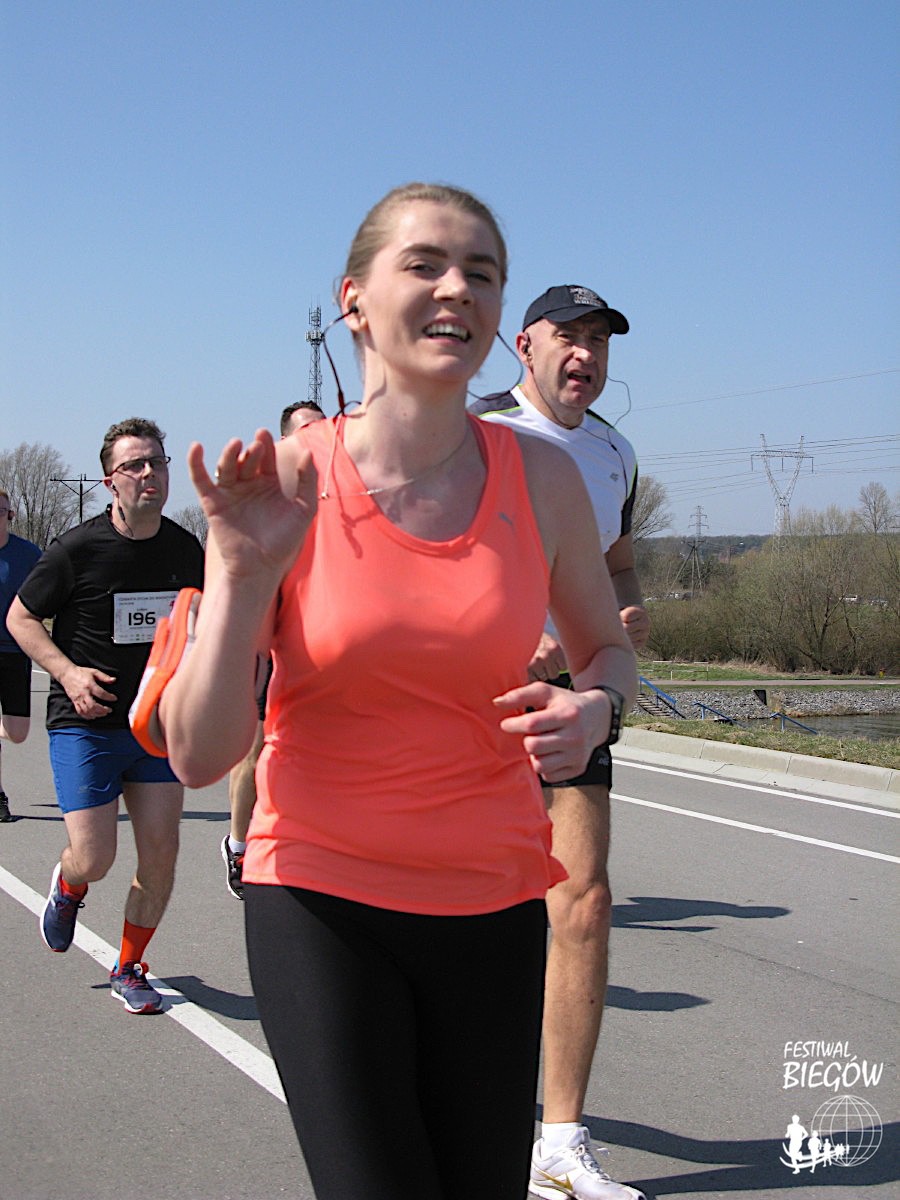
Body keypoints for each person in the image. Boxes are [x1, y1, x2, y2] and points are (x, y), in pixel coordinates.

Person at [133, 183, 637, 1200]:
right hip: (321, 896)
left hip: (495, 897)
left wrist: (595, 711)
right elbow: (197, 754)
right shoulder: (286, 477)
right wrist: (240, 578)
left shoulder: (542, 481)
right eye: (426, 265)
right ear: (354, 300)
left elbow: (607, 651)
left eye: (482, 273)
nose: (458, 288)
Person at [471, 284, 649, 1200]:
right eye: (568, 338)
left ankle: (560, 1141)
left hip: (575, 702)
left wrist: (624, 614)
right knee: (473, 910)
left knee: (584, 901)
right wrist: (508, 631)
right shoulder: (477, 433)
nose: (585, 356)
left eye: (599, 342)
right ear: (525, 345)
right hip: (473, 700)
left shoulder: (615, 452)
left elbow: (616, 562)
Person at [7, 419, 204, 1013]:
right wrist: (68, 673)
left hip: (154, 726)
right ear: (109, 481)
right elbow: (19, 618)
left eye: (157, 462)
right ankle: (70, 884)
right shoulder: (76, 549)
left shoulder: (185, 550)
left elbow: (204, 625)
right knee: (95, 857)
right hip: (85, 724)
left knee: (161, 855)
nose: (149, 473)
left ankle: (130, 966)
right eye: (134, 465)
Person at [221, 398, 326, 898]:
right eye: (306, 432)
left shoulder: (346, 492)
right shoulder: (267, 500)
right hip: (269, 642)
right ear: (285, 441)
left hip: (321, 645)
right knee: (257, 750)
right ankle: (239, 845)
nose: (317, 439)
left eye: (324, 429)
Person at [0, 489, 41, 822]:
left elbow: (49, 592)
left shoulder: (27, 554)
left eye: (1, 511)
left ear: (10, 515)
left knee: (16, 732)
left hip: (15, 650)